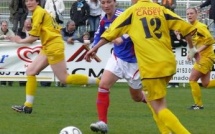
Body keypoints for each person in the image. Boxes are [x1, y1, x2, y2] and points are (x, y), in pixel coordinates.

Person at [84, 0, 198, 133]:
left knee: (158, 107)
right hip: (167, 62)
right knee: (154, 102)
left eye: (108, 2)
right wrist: (192, 49)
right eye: (103, 2)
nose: (105, 5)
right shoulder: (160, 9)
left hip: (148, 65)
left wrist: (95, 48)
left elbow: (111, 33)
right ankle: (103, 121)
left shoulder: (131, 12)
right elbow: (186, 27)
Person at [9, 0, 100, 114]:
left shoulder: (38, 12)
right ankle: (27, 106)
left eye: (31, 0)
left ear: (37, 2)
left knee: (64, 78)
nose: (28, 3)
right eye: (26, 1)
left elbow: (33, 38)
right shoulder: (40, 12)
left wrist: (19, 41)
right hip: (48, 45)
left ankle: (98, 81)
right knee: (31, 71)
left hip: (53, 46)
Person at [186, 7, 215, 110]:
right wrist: (191, 53)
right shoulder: (192, 28)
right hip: (205, 57)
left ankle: (198, 105)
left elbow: (211, 40)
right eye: (188, 13)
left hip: (206, 57)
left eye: (191, 13)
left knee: (192, 80)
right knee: (206, 84)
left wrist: (197, 51)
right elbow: (196, 43)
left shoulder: (200, 26)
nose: (189, 15)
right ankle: (198, 105)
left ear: (196, 14)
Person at [16, 18, 33, 87]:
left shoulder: (34, 30)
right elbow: (18, 38)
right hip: (22, 52)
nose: (28, 25)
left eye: (29, 24)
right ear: (24, 24)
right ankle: (22, 82)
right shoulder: (20, 30)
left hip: (33, 53)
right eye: (27, 24)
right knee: (21, 66)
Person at [0, 20, 15, 86]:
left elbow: (14, 37)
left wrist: (9, 37)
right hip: (1, 52)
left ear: (7, 26)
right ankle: (2, 82)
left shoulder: (10, 31)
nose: (4, 27)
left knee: (10, 66)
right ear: (1, 25)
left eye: (5, 25)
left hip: (9, 52)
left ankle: (10, 81)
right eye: (3, 25)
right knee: (2, 66)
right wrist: (2, 37)